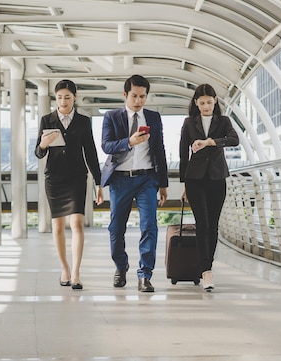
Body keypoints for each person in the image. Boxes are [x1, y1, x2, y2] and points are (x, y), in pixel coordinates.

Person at [101, 74, 169, 292]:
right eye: (134, 96)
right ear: (125, 94)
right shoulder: (112, 116)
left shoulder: (154, 117)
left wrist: (163, 184)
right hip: (120, 179)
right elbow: (106, 146)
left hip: (147, 179)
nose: (138, 101)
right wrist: (129, 142)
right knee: (115, 228)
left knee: (149, 225)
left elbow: (159, 150)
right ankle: (121, 266)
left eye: (142, 96)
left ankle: (145, 275)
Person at [35, 79, 104, 291]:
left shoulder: (83, 121)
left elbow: (90, 152)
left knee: (77, 223)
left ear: (74, 97)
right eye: (59, 97)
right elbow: (38, 153)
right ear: (55, 98)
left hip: (76, 177)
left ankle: (76, 272)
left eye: (67, 96)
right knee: (57, 226)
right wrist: (44, 144)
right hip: (54, 178)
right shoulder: (47, 119)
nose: (63, 101)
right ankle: (64, 268)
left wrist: (99, 182)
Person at [179, 84, 239, 291]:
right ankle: (206, 271)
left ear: (215, 101)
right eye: (202, 102)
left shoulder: (223, 121)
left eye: (209, 102)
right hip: (194, 180)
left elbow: (234, 140)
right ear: (196, 103)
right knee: (202, 223)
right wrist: (184, 185)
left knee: (212, 225)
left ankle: (207, 266)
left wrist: (210, 142)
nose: (206, 106)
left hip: (216, 178)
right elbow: (182, 156)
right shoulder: (188, 123)